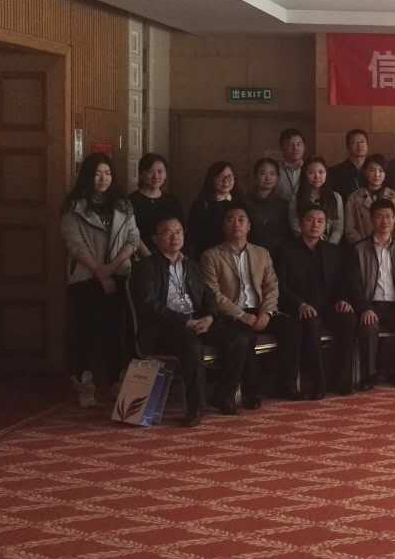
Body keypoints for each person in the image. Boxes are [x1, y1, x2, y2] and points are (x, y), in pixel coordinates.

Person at [132, 217, 249, 426]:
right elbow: (149, 305)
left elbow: (209, 297)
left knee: (238, 339)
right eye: (167, 232)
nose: (174, 237)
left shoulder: (192, 265)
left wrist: (210, 317)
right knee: (192, 345)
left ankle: (223, 395)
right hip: (165, 327)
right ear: (155, 239)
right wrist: (184, 321)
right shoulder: (146, 267)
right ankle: (196, 407)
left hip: (197, 321)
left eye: (178, 232)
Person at [60, 152, 140, 407]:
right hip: (85, 277)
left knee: (115, 332)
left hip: (119, 275)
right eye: (97, 173)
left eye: (107, 173)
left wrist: (112, 268)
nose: (103, 178)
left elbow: (133, 239)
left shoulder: (123, 205)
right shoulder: (74, 207)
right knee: (84, 333)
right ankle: (84, 385)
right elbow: (75, 244)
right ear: (87, 176)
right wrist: (99, 271)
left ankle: (116, 383)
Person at [200, 205, 282, 409]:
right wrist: (242, 315)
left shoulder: (262, 253)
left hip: (260, 310)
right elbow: (213, 294)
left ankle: (283, 385)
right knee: (244, 337)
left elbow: (271, 286)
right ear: (223, 226)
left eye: (241, 219)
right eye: (230, 219)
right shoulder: (211, 255)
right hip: (231, 314)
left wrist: (267, 312)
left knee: (293, 328)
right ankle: (240, 392)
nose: (236, 224)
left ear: (249, 226)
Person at [277, 206, 357, 398]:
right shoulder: (285, 250)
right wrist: (300, 304)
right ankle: (317, 383)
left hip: (328, 305)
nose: (315, 225)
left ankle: (342, 380)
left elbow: (343, 281)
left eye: (320, 221)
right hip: (300, 307)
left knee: (347, 319)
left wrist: (343, 300)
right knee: (311, 322)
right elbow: (280, 285)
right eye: (310, 220)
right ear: (300, 223)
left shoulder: (334, 251)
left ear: (326, 226)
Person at [346, 198, 395, 389]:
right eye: (379, 216)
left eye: (388, 216)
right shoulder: (358, 249)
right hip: (371, 305)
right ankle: (369, 375)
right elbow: (354, 284)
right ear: (371, 219)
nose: (384, 221)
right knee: (368, 326)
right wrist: (364, 308)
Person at [127, 153, 183, 256]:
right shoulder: (130, 201)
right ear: (141, 174)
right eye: (150, 172)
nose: (156, 176)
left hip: (170, 255)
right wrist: (149, 257)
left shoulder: (172, 201)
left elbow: (179, 231)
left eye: (160, 171)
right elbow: (131, 234)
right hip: (140, 255)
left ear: (165, 175)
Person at [344, 154, 395, 244]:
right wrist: (362, 246)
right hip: (362, 247)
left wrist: (392, 244)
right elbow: (350, 228)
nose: (377, 174)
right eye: (372, 170)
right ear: (365, 172)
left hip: (390, 246)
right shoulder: (354, 197)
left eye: (381, 171)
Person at [186, 161, 243, 258]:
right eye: (220, 177)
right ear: (211, 179)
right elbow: (193, 236)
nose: (226, 181)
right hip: (209, 255)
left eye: (229, 176)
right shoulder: (201, 204)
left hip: (237, 255)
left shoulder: (241, 203)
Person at [288, 157, 345, 244]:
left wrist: (329, 245)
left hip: (329, 245)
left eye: (321, 172)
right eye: (311, 173)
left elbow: (338, 228)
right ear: (305, 175)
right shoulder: (296, 197)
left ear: (326, 174)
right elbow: (294, 225)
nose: (317, 176)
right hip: (303, 244)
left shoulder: (336, 197)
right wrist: (310, 241)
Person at [246, 158, 292, 255]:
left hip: (278, 254)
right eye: (263, 173)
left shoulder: (284, 204)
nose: (268, 178)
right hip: (251, 253)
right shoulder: (245, 202)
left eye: (272, 174)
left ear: (277, 178)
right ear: (255, 176)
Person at [328, 128, 371, 202]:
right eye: (354, 142)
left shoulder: (375, 171)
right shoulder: (335, 171)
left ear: (367, 145)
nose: (359, 145)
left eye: (362, 142)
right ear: (348, 147)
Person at [275, 127, 306, 204]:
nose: (295, 148)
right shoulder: (274, 169)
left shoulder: (310, 169)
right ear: (282, 148)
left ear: (304, 146)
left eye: (299, 144)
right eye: (290, 145)